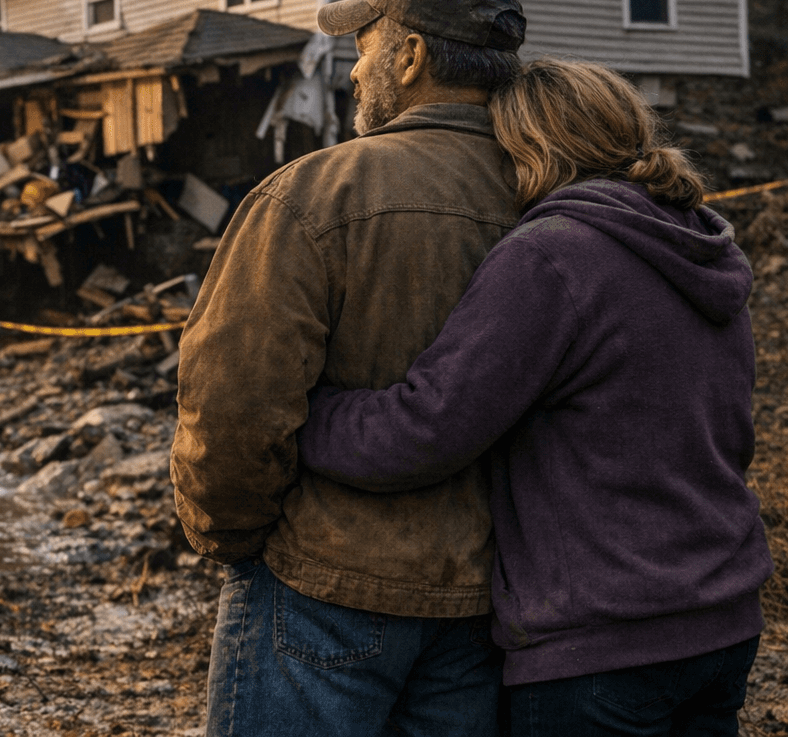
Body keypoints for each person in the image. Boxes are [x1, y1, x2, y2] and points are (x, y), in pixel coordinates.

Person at [297, 58, 773, 736]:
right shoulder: (701, 249)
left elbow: (426, 426)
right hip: (722, 619)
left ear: (528, 149)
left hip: (602, 639)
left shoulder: (552, 255)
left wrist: (306, 416)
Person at [172, 0, 527, 737]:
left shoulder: (311, 192)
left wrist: (230, 538)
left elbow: (232, 401)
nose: (354, 71)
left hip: (323, 585)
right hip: (485, 596)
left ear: (411, 56)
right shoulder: (550, 192)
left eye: (364, 47)